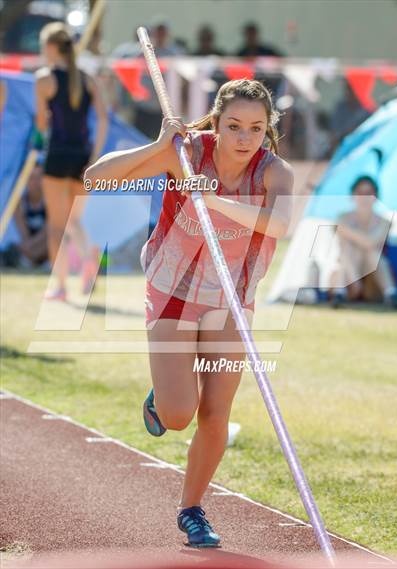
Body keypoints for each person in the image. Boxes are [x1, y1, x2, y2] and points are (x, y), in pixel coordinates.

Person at [85, 79, 293, 548]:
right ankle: (161, 400)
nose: (245, 138)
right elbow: (96, 178)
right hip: (174, 293)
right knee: (180, 415)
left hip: (230, 302)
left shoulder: (274, 172)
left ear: (267, 131)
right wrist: (159, 146)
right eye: (234, 126)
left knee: (216, 411)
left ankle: (192, 509)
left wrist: (213, 199)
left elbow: (280, 222)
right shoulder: (186, 155)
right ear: (215, 124)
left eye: (257, 129)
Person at [35, 22, 108, 301]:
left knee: (57, 225)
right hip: (82, 156)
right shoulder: (87, 78)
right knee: (74, 221)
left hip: (57, 155)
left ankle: (61, 286)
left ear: (53, 47)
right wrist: (95, 156)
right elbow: (103, 118)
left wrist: (41, 128)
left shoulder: (45, 79)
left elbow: (42, 124)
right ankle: (89, 262)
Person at [329, 176, 397, 308]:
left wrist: (351, 233)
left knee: (373, 254)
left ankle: (391, 294)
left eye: (369, 193)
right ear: (353, 195)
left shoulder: (385, 222)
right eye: (360, 193)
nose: (364, 197)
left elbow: (370, 244)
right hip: (348, 277)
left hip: (372, 282)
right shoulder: (342, 218)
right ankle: (340, 293)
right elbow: (364, 243)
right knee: (349, 253)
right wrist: (355, 280)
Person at [14, 163, 48, 267]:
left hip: (47, 251)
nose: (35, 182)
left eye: (39, 177)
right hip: (30, 251)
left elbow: (49, 232)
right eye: (31, 177)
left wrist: (29, 248)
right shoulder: (20, 204)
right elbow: (24, 234)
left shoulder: (50, 202)